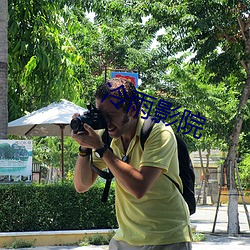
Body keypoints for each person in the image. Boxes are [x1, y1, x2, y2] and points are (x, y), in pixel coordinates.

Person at [71, 78, 192, 250]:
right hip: (125, 239)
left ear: (133, 109)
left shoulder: (159, 131)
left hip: (166, 237)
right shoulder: (108, 137)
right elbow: (81, 185)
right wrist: (84, 148)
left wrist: (100, 148)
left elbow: (139, 187)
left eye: (111, 115)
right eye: (101, 114)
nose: (105, 122)